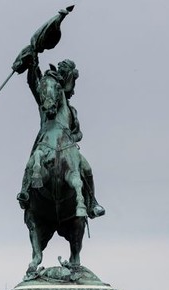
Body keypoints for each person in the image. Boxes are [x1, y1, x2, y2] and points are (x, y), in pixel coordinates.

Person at [14, 48, 105, 219]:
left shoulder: (71, 111)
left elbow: (79, 133)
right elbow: (34, 82)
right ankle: (25, 192)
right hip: (45, 141)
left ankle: (92, 202)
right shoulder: (46, 102)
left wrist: (71, 138)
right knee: (32, 162)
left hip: (68, 147)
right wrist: (32, 62)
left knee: (86, 167)